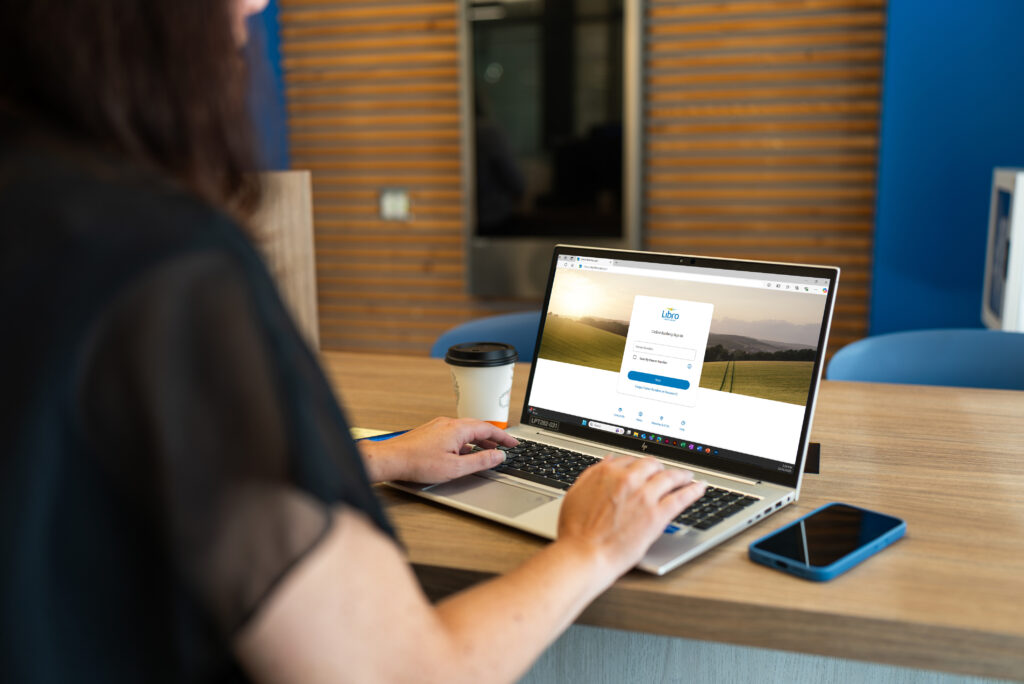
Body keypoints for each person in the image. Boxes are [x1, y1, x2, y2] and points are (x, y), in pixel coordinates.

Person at [0, 1, 707, 682]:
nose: (256, 5)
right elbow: (402, 674)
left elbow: (86, 475)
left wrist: (382, 457)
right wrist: (592, 546)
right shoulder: (165, 262)